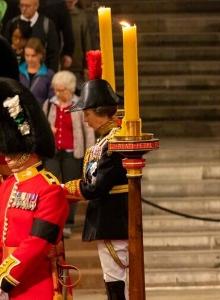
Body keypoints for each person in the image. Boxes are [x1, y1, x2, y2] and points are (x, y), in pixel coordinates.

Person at [0, 77, 68, 299]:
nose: (7, 158)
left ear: (29, 149)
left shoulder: (50, 189)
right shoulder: (8, 185)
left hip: (37, 283)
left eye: (12, 151)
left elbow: (38, 242)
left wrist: (7, 274)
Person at [63, 79, 128, 299]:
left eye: (87, 113)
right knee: (112, 279)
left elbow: (96, 186)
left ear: (97, 112)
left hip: (113, 218)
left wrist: (64, 189)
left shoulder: (115, 143)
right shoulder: (105, 141)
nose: (85, 118)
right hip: (107, 218)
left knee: (117, 280)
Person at [42, 70, 94, 237]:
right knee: (52, 187)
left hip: (73, 152)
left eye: (62, 90)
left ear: (70, 89)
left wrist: (90, 154)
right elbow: (42, 125)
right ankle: (52, 220)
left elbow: (88, 131)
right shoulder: (49, 104)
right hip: (53, 153)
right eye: (56, 90)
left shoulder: (79, 106)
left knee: (71, 188)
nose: (58, 93)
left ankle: (68, 223)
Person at [3, 0, 60, 72]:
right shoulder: (12, 23)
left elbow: (53, 53)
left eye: (27, 6)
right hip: (16, 72)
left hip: (41, 73)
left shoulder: (47, 24)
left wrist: (51, 74)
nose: (24, 9)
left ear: (36, 6)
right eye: (21, 5)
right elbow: (5, 50)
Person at [19, 37, 54, 104]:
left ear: (40, 55)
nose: (29, 59)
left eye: (33, 55)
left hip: (40, 113)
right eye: (27, 55)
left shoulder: (49, 74)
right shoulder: (18, 71)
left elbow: (52, 100)